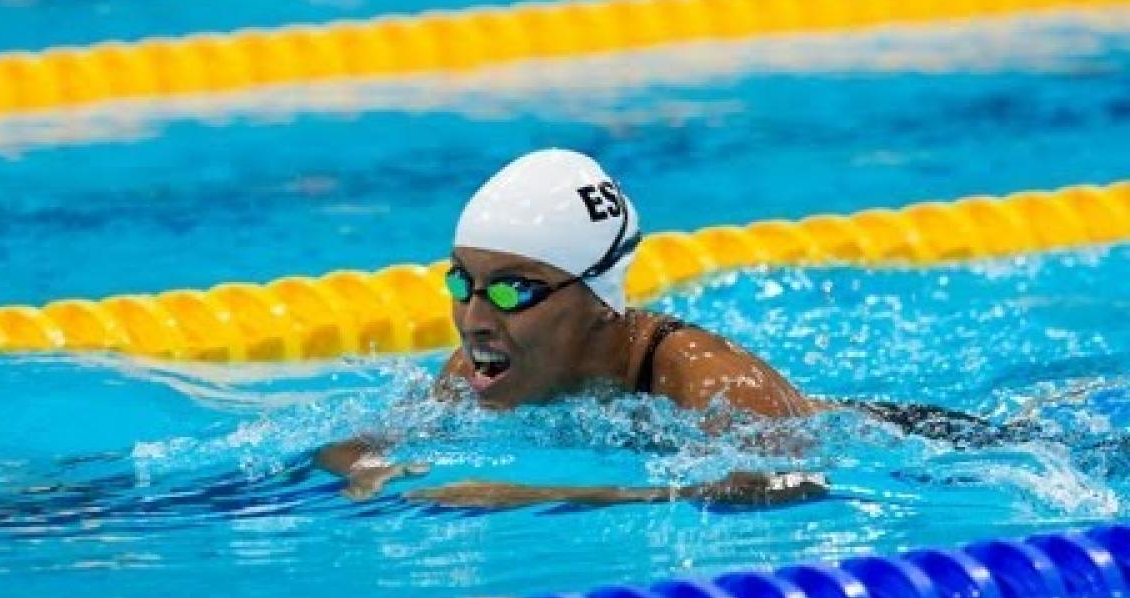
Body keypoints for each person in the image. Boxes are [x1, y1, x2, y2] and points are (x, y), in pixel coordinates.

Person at [315, 149, 833, 509]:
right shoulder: (483, 365)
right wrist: (373, 468)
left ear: (599, 298)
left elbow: (788, 485)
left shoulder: (711, 383)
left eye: (512, 291)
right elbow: (353, 446)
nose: (474, 322)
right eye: (461, 284)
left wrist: (542, 496)